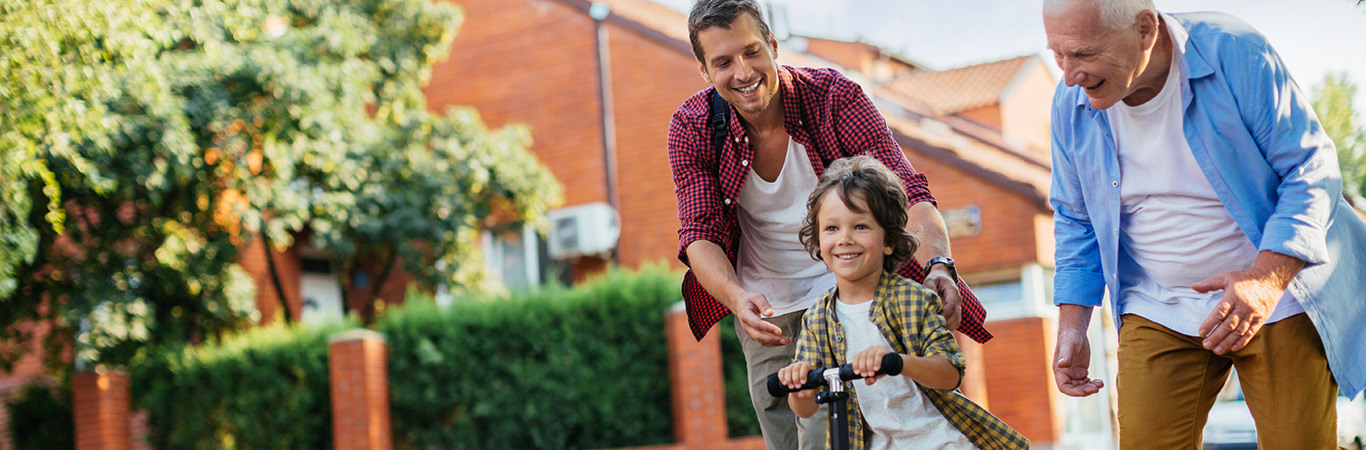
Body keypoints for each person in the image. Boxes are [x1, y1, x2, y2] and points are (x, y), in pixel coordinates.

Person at [669, 0, 993, 447]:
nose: (743, 71)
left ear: (773, 46)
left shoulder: (833, 97)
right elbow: (698, 234)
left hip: (856, 292)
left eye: (751, 52)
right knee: (789, 437)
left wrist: (939, 263)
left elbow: (907, 193)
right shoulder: (694, 127)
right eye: (723, 61)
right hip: (770, 311)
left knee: (874, 431)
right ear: (705, 71)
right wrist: (737, 297)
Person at [1043, 0, 1366, 447]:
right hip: (1156, 303)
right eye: (1057, 55)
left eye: (1082, 54)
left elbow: (1310, 168)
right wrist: (1074, 323)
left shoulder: (1235, 52)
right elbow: (1076, 218)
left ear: (1144, 30)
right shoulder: (1070, 104)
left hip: (1277, 292)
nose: (1069, 74)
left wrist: (1265, 280)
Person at [778, 156, 1027, 450]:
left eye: (860, 226)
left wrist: (897, 363)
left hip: (944, 442)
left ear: (889, 241)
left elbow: (950, 373)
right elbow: (805, 409)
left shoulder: (913, 299)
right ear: (819, 240)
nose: (844, 239)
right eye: (831, 228)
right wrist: (799, 387)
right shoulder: (818, 316)